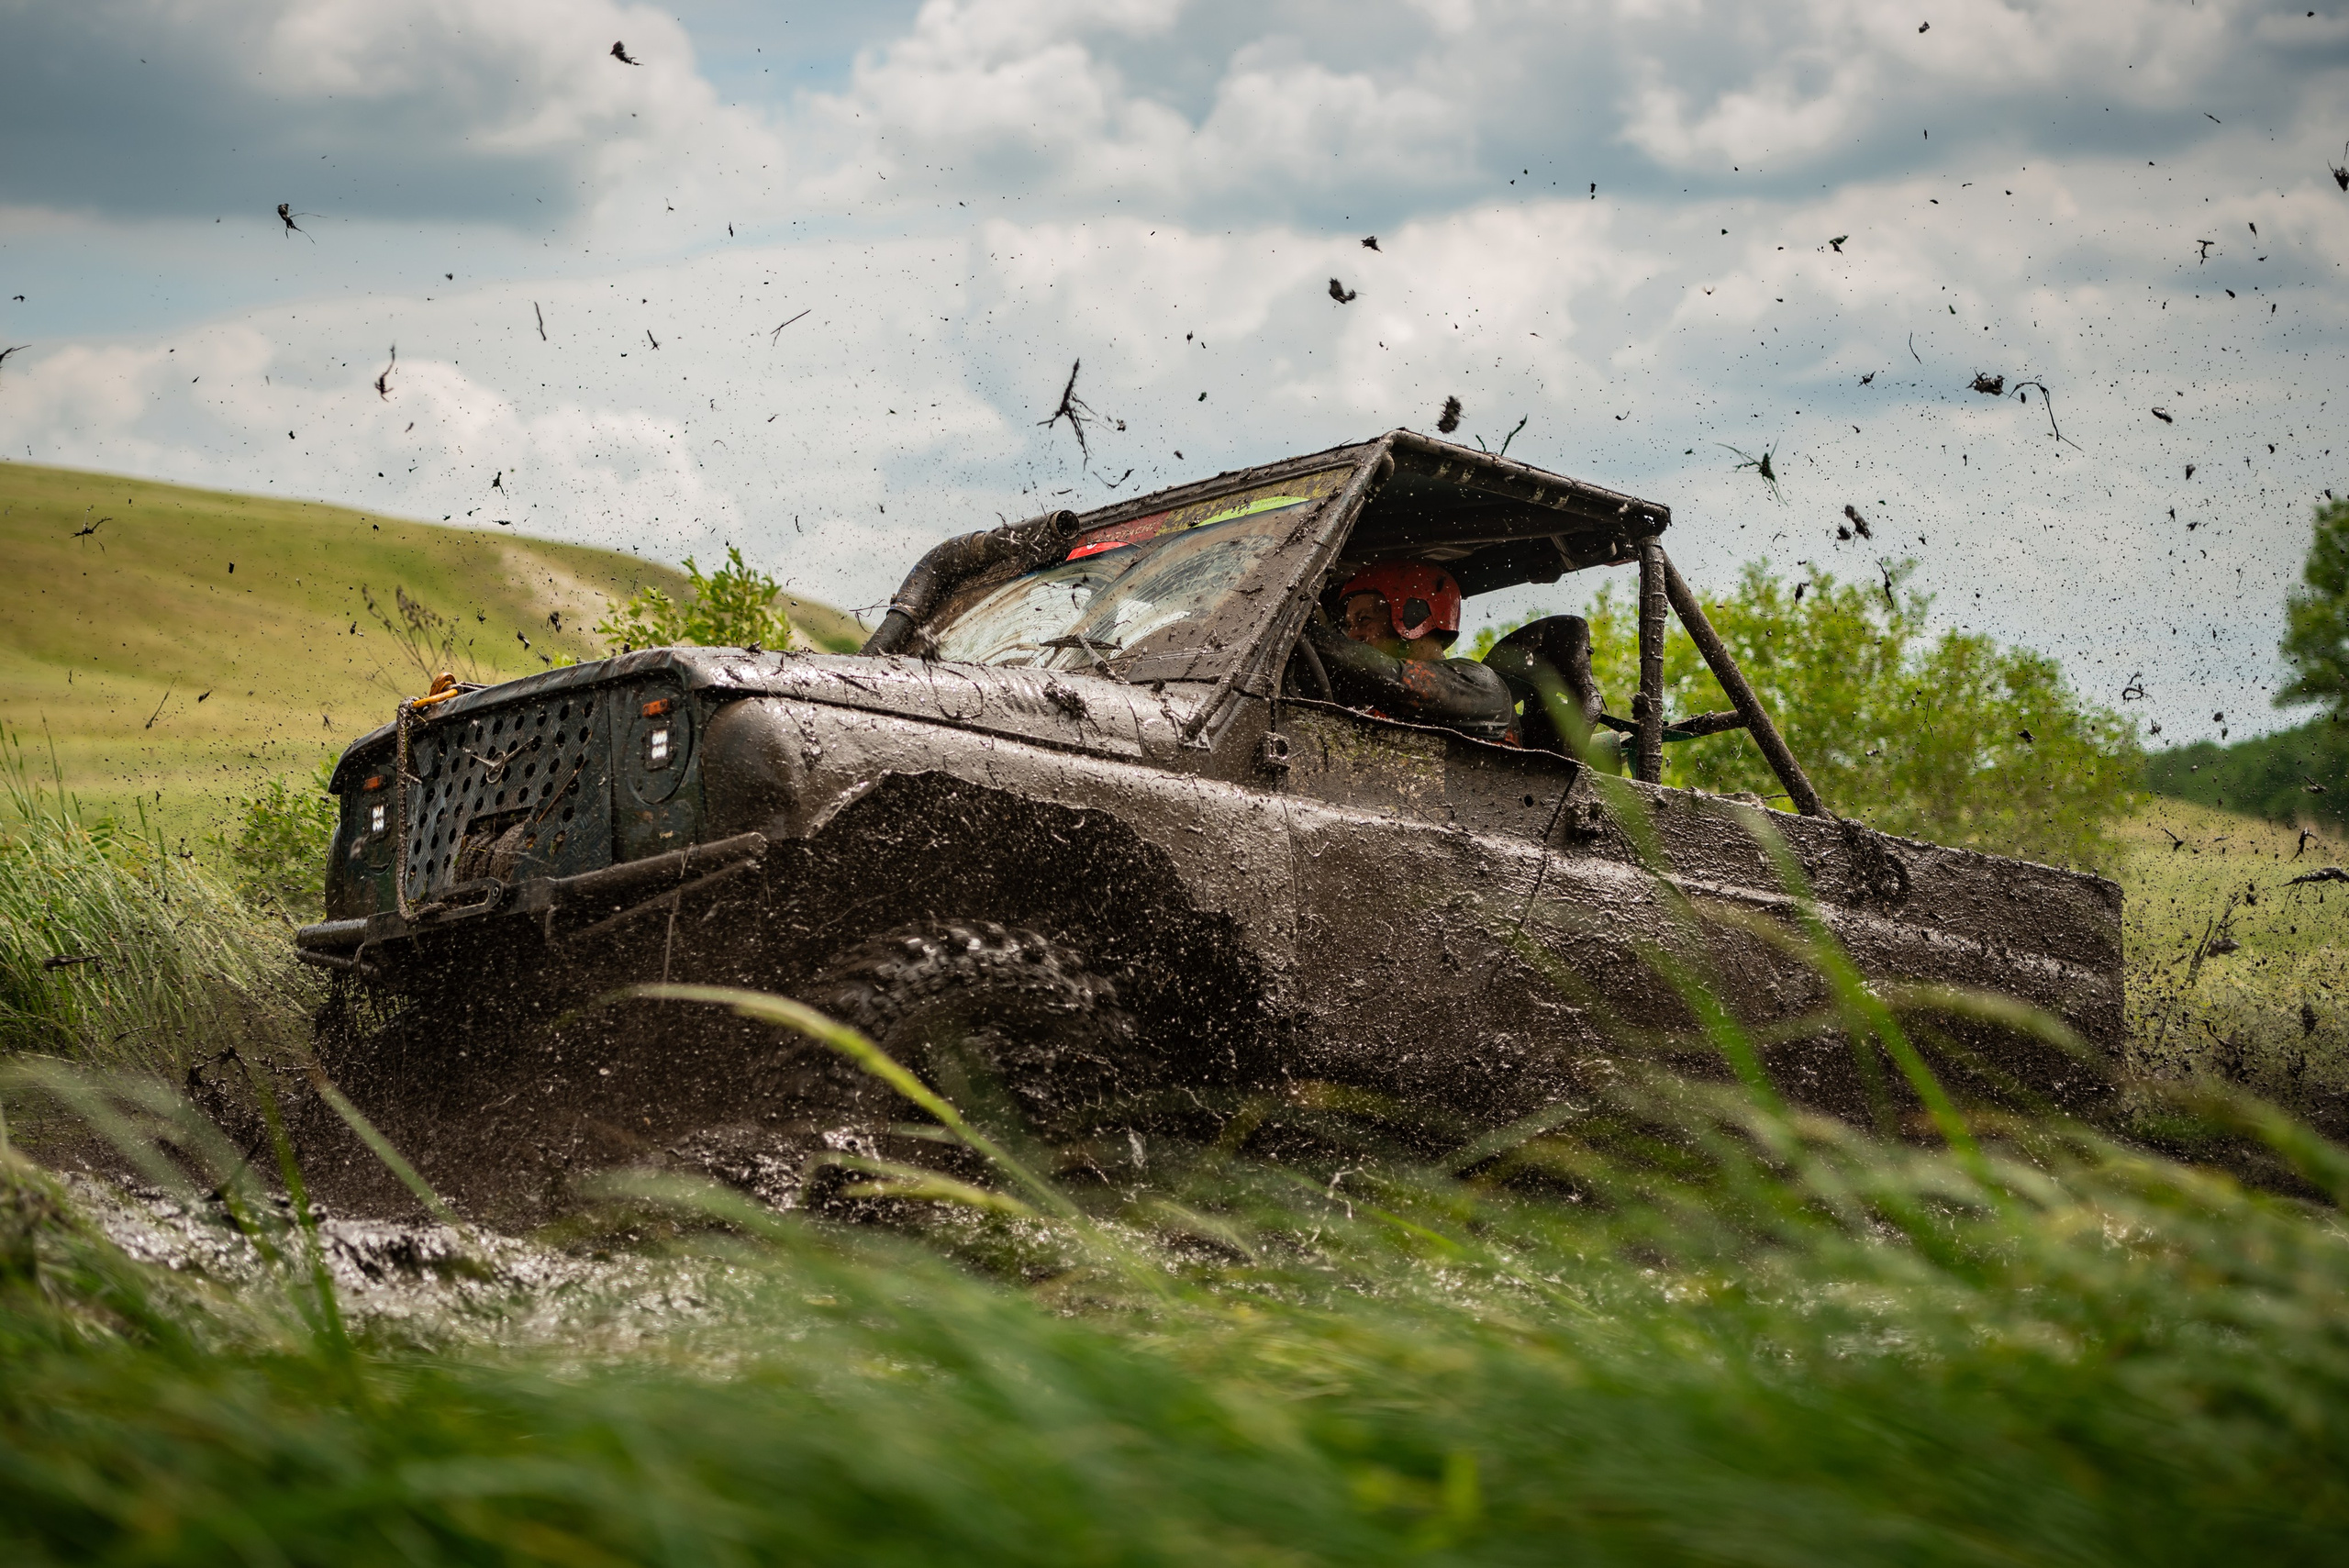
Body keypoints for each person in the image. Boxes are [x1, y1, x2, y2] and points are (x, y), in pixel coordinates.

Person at [1301, 561, 1516, 742]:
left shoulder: (1481, 685)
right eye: (1349, 625)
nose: (1353, 636)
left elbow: (1390, 678)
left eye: (1364, 620)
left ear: (1414, 615)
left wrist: (1300, 629)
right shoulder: (1367, 701)